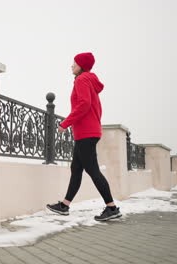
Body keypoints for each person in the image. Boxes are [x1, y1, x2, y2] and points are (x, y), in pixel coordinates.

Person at [46, 52, 121, 221]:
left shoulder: (82, 80)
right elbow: (94, 107)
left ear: (82, 65)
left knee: (93, 170)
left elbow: (84, 104)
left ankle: (111, 207)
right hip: (88, 132)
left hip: (86, 133)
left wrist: (65, 123)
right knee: (76, 169)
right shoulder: (89, 81)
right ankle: (65, 205)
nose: (72, 65)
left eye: (74, 62)